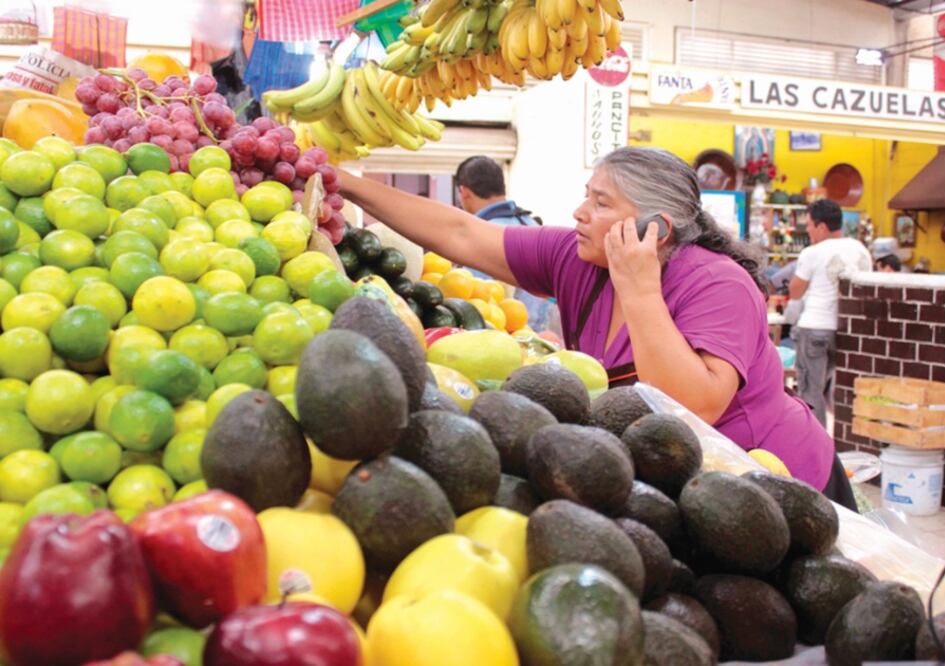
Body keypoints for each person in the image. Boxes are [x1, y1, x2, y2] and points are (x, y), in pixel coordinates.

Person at [337, 147, 856, 507]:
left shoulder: (717, 284)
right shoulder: (579, 256)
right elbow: (462, 232)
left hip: (783, 486)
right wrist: (346, 184)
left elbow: (691, 408)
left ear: (656, 230)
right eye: (587, 195)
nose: (579, 212)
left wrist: (640, 287)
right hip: (690, 486)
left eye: (601, 203)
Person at [788, 200, 872, 429]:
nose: (808, 231)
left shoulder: (813, 252)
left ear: (822, 227)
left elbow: (795, 291)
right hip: (846, 329)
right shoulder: (861, 250)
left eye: (810, 226)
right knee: (838, 392)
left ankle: (816, 448)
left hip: (815, 326)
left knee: (810, 391)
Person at [455, 156, 552, 331]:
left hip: (500, 342)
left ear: (464, 191)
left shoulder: (482, 234)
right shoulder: (532, 225)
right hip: (540, 340)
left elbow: (476, 302)